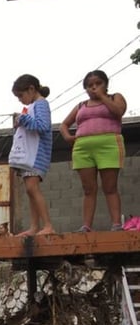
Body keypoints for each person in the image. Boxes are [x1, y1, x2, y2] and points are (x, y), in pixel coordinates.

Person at [59, 69, 127, 232]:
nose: (94, 87)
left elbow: (119, 111)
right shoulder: (81, 105)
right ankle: (86, 226)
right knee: (89, 189)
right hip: (83, 148)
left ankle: (116, 224)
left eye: (98, 84)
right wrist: (68, 137)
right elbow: (63, 125)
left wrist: (103, 96)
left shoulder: (114, 97)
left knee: (110, 187)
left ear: (106, 85)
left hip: (109, 144)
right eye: (90, 85)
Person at [10, 74, 55, 236]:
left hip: (37, 154)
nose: (20, 99)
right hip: (30, 155)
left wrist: (23, 120)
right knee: (30, 190)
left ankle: (48, 225)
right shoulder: (33, 106)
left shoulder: (41, 104)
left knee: (32, 188)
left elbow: (43, 126)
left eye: (21, 95)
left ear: (31, 89)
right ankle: (35, 226)